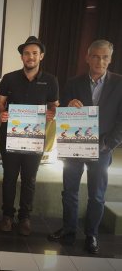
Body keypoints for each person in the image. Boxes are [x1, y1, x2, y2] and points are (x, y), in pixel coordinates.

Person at [48, 40, 122, 254]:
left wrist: (109, 144)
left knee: (97, 195)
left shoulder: (119, 83)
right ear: (87, 58)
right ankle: (69, 230)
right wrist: (69, 105)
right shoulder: (73, 82)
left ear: (110, 59)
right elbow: (64, 110)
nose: (100, 61)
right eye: (96, 56)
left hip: (103, 148)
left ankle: (92, 235)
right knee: (69, 191)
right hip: (75, 146)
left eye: (105, 57)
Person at [0, 36, 59, 235]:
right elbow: (0, 102)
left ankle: (25, 217)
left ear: (41, 56)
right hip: (11, 137)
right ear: (22, 56)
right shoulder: (9, 78)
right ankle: (7, 216)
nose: (30, 57)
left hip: (34, 138)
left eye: (34, 53)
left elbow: (54, 105)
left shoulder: (50, 80)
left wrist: (52, 113)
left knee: (30, 179)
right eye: (26, 53)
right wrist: (1, 112)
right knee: (9, 177)